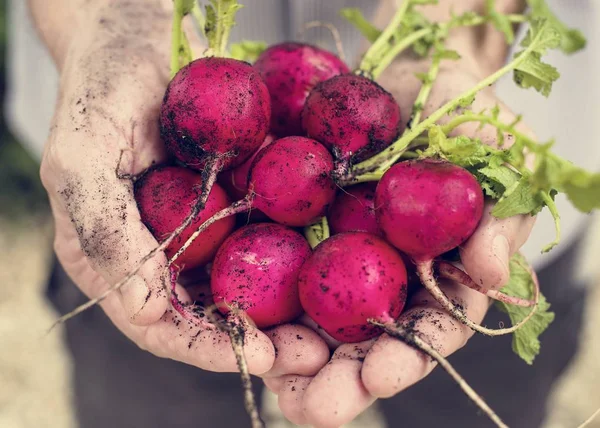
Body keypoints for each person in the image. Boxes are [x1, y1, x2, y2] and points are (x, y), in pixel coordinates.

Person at [6, 0, 599, 427]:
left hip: (484, 202)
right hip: (130, 207)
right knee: (145, 386)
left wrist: (452, 32)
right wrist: (110, 17)